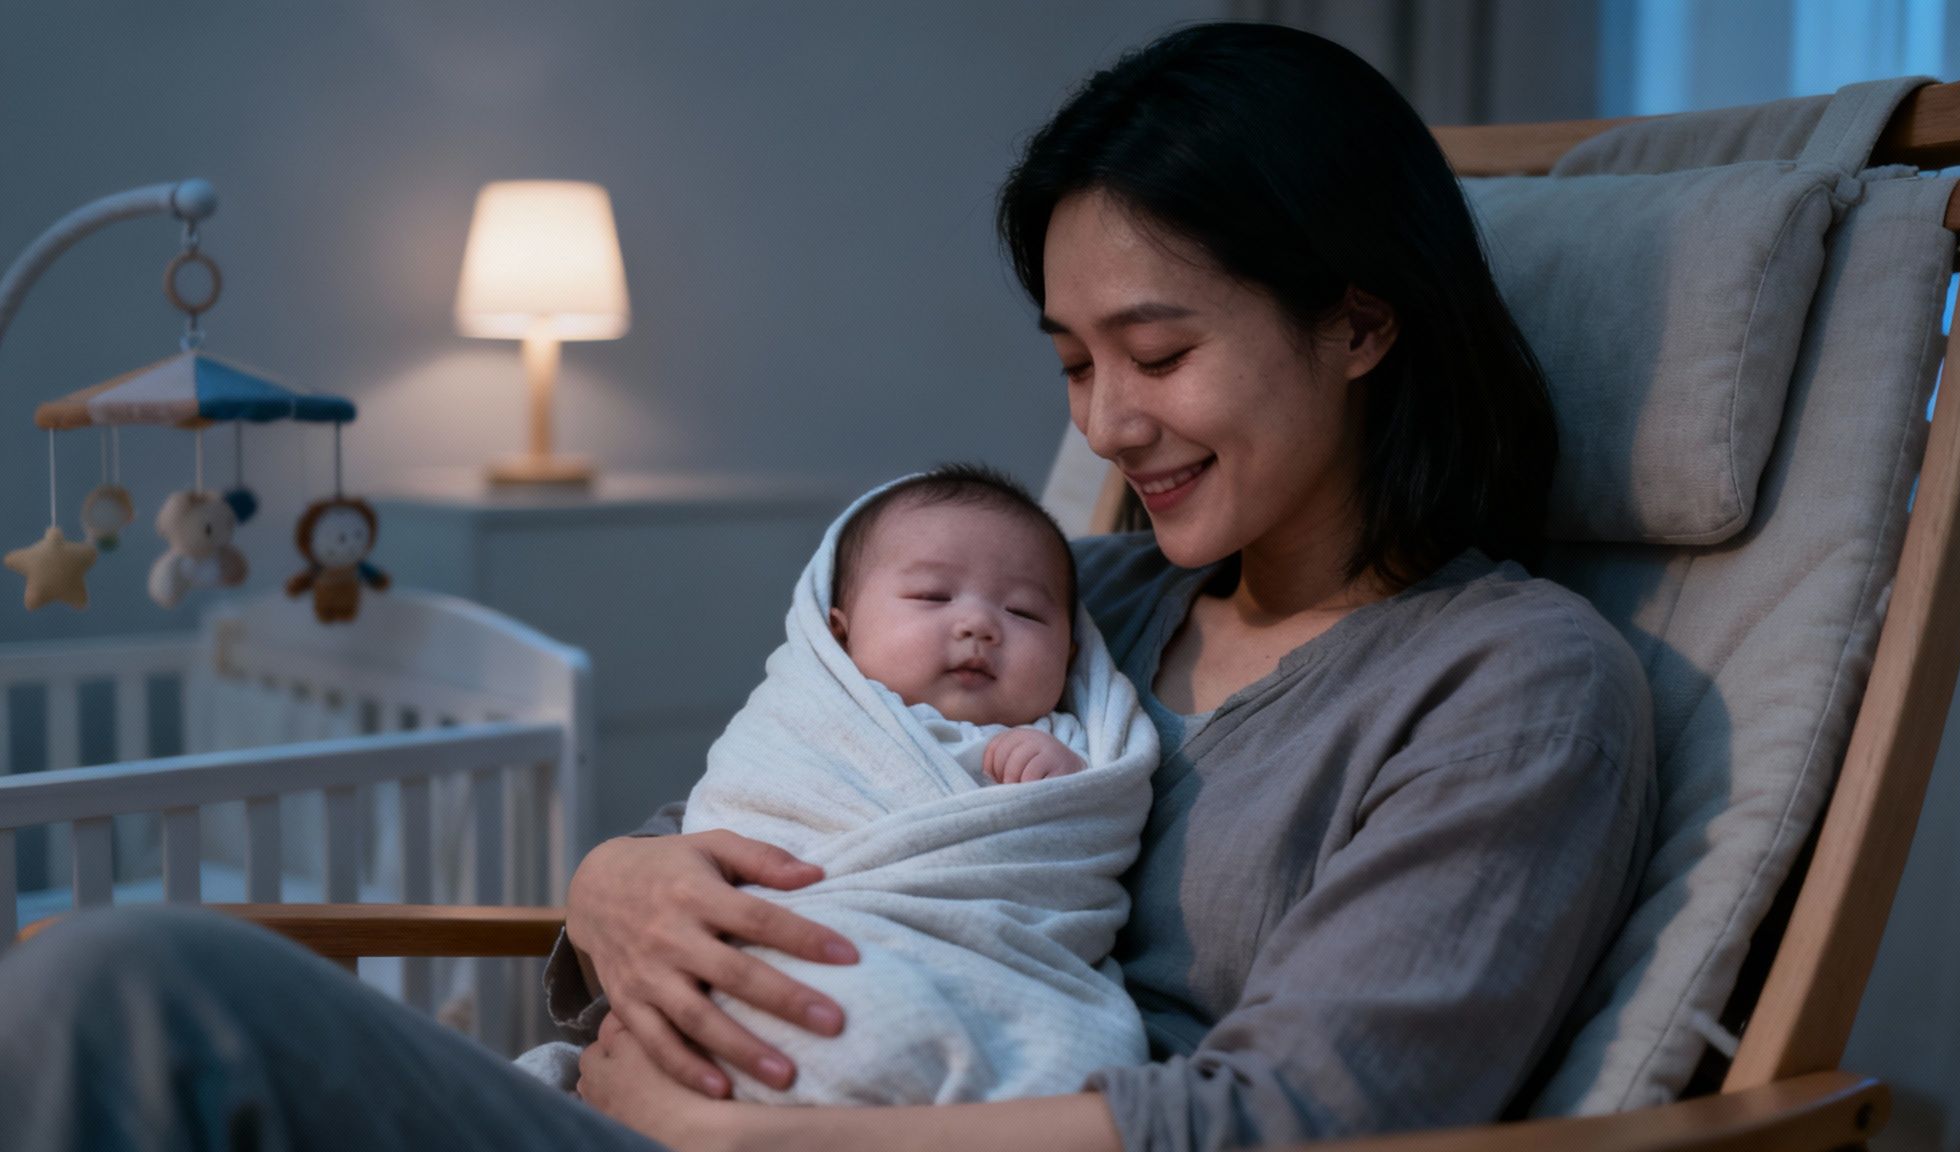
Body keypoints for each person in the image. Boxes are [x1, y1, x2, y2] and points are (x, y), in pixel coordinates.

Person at [0, 21, 1656, 1152]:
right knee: (118, 974)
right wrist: (608, 876)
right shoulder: (1079, 603)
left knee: (126, 999)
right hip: (662, 1104)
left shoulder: (1509, 688)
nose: (1101, 423)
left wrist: (767, 1134)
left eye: (1158, 351)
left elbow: (1293, 1118)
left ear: (1360, 325)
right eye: (1072, 360)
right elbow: (800, 810)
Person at [517, 465, 1160, 1103]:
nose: (980, 625)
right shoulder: (817, 717)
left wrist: (1054, 772)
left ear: (1072, 655)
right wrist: (606, 870)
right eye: (933, 597)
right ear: (838, 631)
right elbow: (744, 813)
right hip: (799, 934)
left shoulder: (1068, 736)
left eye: (1024, 613)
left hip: (987, 966)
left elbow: (1081, 824)